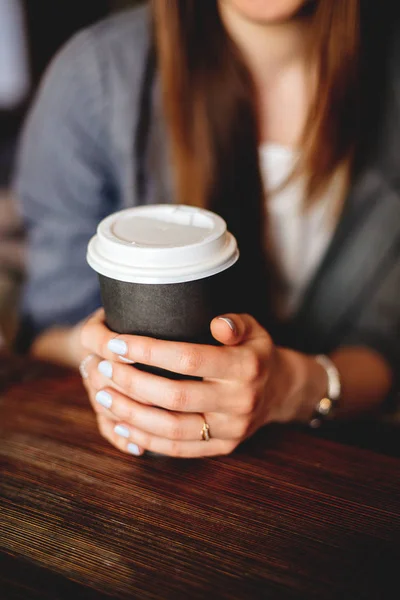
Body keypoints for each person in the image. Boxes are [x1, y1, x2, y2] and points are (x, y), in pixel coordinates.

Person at [14, 1, 400, 458]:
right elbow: (48, 329)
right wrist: (107, 362)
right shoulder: (95, 77)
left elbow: (387, 340)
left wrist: (294, 386)